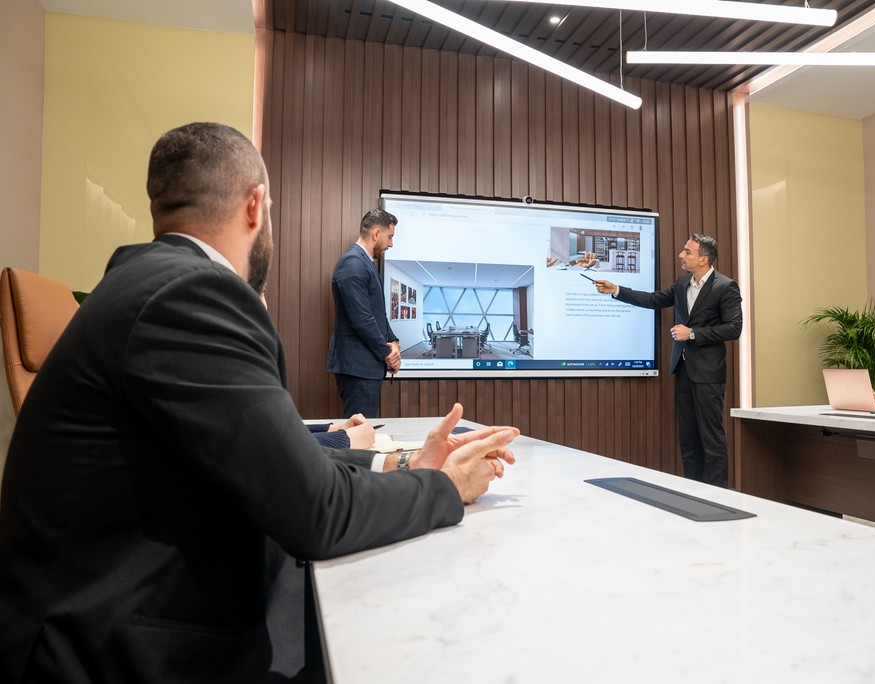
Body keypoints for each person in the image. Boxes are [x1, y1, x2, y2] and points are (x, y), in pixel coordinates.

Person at [0, 122, 518, 684]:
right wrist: (445, 487)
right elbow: (316, 512)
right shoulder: (189, 295)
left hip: (122, 617)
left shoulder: (148, 282)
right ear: (256, 206)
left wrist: (404, 463)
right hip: (120, 650)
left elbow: (274, 463)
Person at [594, 234, 742, 487]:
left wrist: (693, 333)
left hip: (708, 375)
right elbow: (654, 300)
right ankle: (693, 490)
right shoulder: (683, 283)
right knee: (688, 438)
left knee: (711, 437)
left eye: (688, 251)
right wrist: (616, 290)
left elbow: (734, 328)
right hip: (683, 369)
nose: (681, 255)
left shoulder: (725, 286)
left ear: (703, 259)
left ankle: (720, 495)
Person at [326, 209, 401, 419]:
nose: (391, 244)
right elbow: (361, 319)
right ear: (376, 234)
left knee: (363, 434)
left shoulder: (365, 263)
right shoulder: (353, 264)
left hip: (365, 368)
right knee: (359, 437)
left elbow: (377, 315)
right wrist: (387, 354)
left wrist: (394, 342)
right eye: (390, 237)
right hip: (357, 369)